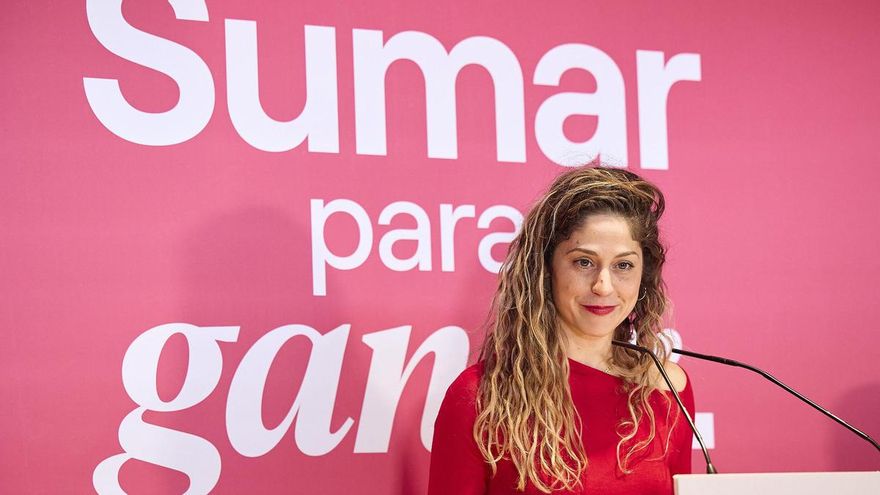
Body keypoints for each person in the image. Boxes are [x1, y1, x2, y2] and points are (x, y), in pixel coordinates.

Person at [427, 166, 694, 495]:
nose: (603, 285)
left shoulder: (668, 388)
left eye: (623, 265)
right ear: (546, 269)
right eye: (583, 262)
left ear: (644, 275)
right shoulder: (481, 396)